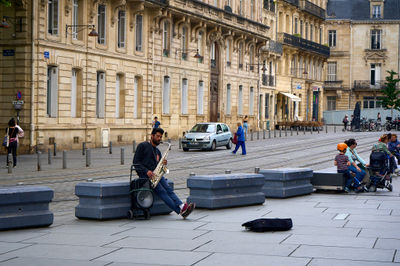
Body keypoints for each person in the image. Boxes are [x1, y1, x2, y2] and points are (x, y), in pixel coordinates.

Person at [133, 127, 194, 219]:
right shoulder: (143, 146)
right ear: (152, 136)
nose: (159, 139)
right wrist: (146, 171)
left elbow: (159, 167)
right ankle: (180, 210)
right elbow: (136, 162)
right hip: (146, 177)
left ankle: (182, 207)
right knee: (162, 191)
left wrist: (163, 164)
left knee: (168, 189)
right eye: (157, 136)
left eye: (160, 137)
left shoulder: (157, 151)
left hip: (156, 175)